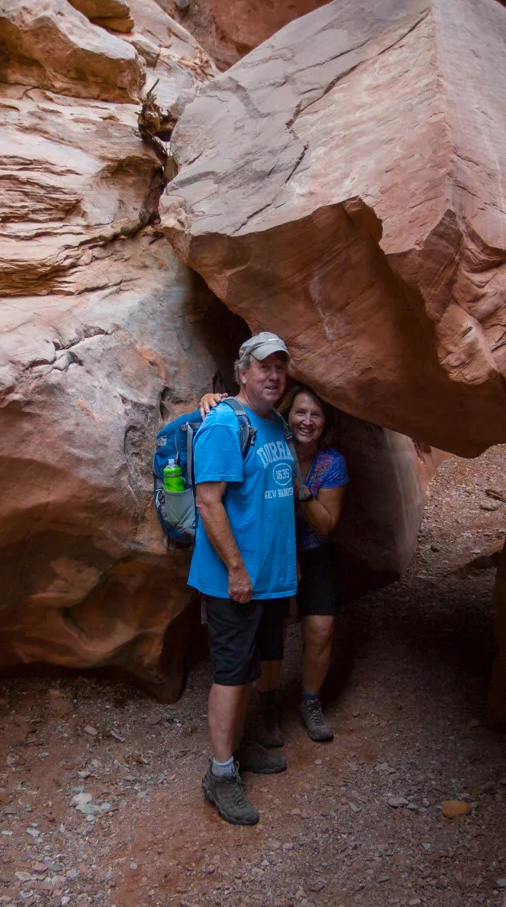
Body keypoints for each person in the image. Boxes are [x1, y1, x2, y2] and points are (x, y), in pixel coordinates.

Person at [188, 331, 299, 826]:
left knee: (256, 665)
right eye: (263, 367)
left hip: (269, 577)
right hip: (235, 580)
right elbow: (207, 501)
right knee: (231, 674)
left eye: (279, 367)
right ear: (242, 372)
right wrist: (236, 569)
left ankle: (242, 746)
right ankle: (220, 774)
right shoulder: (225, 425)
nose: (272, 375)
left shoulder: (274, 422)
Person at [200, 384, 347, 745]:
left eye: (316, 415)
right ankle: (268, 706)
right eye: (300, 412)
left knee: (320, 627)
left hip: (311, 550)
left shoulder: (331, 463)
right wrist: (208, 399)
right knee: (274, 632)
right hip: (270, 550)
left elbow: (327, 523)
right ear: (287, 414)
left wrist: (299, 489)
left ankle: (309, 702)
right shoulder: (270, 435)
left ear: (326, 422)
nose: (307, 421)